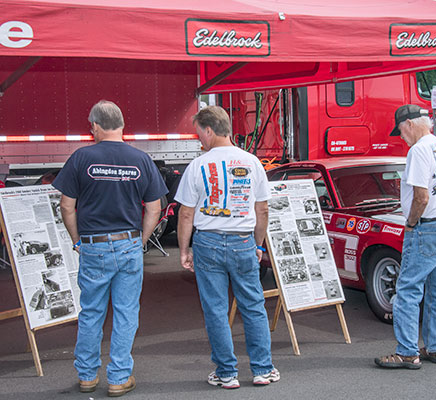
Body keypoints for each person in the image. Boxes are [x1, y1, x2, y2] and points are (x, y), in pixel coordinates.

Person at [52, 100, 168, 396]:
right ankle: (118, 377)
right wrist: (140, 241)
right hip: (128, 244)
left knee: (91, 312)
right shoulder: (141, 159)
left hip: (93, 245)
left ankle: (87, 376)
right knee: (126, 312)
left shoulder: (80, 158)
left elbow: (66, 206)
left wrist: (77, 240)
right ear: (122, 124)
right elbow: (155, 209)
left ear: (94, 126)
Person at [175, 105, 279, 389]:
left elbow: (185, 213)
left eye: (199, 133)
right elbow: (263, 210)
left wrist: (184, 250)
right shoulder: (252, 162)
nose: (199, 139)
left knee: (215, 309)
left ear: (209, 130)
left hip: (207, 241)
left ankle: (226, 373)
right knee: (253, 306)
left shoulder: (197, 165)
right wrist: (257, 245)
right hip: (243, 240)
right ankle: (262, 370)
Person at [375, 104, 436, 369]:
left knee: (408, 289)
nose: (401, 136)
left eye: (400, 130)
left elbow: (421, 196)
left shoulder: (418, 150)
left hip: (427, 224)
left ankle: (407, 352)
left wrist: (411, 223)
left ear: (409, 124)